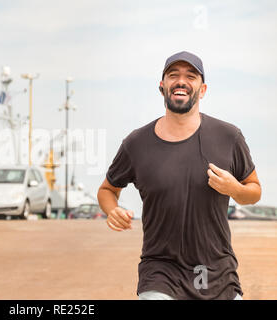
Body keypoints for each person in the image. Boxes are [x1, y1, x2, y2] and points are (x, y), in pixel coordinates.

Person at [97, 51, 261, 300]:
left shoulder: (229, 137)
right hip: (161, 271)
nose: (181, 81)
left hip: (217, 273)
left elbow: (254, 191)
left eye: (191, 76)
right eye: (173, 75)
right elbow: (107, 189)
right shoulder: (136, 143)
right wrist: (112, 211)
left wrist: (235, 189)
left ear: (202, 89)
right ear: (162, 87)